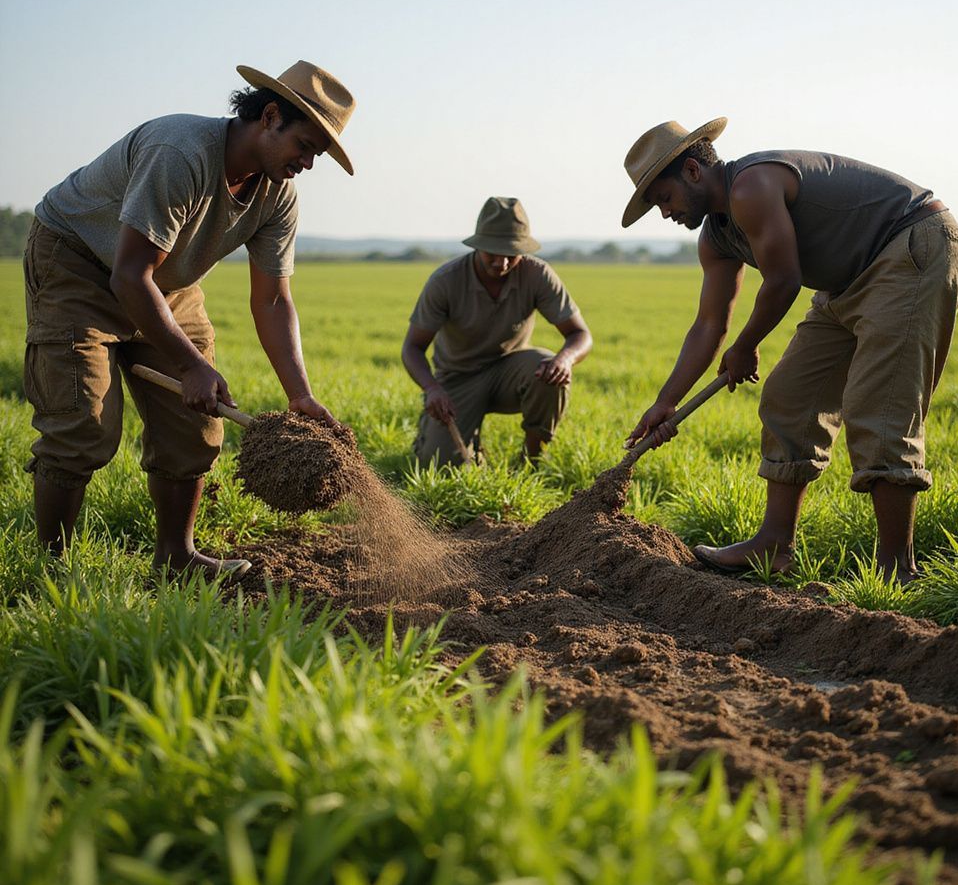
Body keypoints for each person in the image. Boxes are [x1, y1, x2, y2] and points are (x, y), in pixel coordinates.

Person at [24, 60, 356, 576]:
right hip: (80, 266)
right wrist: (189, 365)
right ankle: (50, 571)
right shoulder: (180, 152)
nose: (308, 164)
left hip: (165, 283)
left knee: (195, 428)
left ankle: (176, 559)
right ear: (270, 116)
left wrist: (300, 394)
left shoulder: (277, 194)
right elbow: (129, 276)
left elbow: (272, 299)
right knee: (82, 425)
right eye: (306, 147)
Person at [621, 118, 958, 585]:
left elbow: (783, 280)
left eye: (663, 199)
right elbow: (709, 325)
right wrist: (665, 402)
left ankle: (898, 570)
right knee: (790, 396)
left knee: (881, 407)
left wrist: (746, 347)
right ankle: (773, 547)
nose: (665, 214)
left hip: (911, 246)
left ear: (691, 172)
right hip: (846, 281)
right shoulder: (716, 239)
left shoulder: (752, 186)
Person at [402, 197, 592, 466]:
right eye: (492, 252)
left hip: (509, 371)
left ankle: (530, 461)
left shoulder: (537, 274)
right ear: (477, 245)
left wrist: (566, 359)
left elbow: (580, 334)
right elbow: (412, 347)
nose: (502, 263)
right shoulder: (446, 281)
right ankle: (445, 439)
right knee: (436, 465)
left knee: (548, 371)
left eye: (511, 254)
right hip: (457, 378)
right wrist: (432, 388)